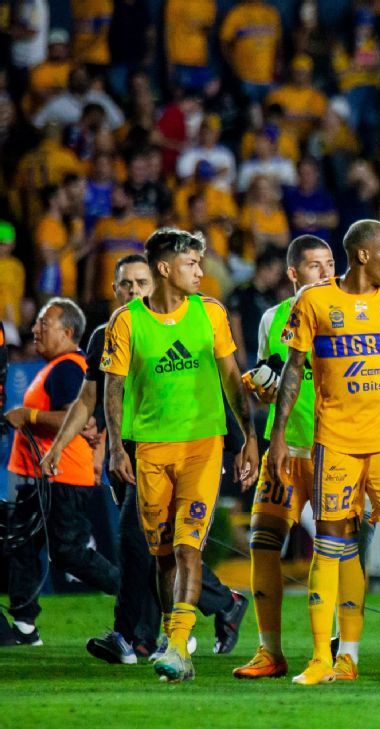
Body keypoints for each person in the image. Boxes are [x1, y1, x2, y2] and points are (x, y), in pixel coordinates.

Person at [40, 255, 248, 664]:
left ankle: (137, 636)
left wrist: (239, 442)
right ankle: (218, 604)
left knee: (143, 544)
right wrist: (59, 444)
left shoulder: (189, 322)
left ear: (156, 282)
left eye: (140, 282)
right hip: (130, 455)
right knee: (153, 546)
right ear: (114, 289)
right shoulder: (108, 334)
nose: (133, 290)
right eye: (125, 284)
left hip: (178, 449)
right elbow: (89, 398)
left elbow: (217, 385)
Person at [268, 220, 380, 685]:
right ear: (364, 256)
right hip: (337, 443)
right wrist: (279, 435)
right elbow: (293, 370)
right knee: (330, 545)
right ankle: (320, 658)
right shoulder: (316, 301)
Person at [102, 229, 260, 682]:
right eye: (193, 264)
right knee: (163, 555)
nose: (200, 271)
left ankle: (176, 646)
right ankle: (177, 642)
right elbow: (113, 388)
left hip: (202, 447)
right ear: (166, 269)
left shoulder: (211, 313)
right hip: (150, 448)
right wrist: (117, 448)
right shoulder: (127, 322)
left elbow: (232, 377)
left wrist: (247, 436)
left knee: (189, 546)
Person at [233, 235, 364, 681]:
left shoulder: (351, 311)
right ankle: (269, 650)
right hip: (285, 447)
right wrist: (262, 387)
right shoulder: (273, 317)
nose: (327, 272)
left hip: (337, 448)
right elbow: (270, 371)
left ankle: (346, 654)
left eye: (331, 263)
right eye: (314, 266)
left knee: (340, 547)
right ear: (293, 274)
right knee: (262, 539)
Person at [3, 297, 119, 645]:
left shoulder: (70, 367)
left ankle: (136, 599)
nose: (35, 329)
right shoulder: (54, 367)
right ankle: (24, 623)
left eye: (44, 323)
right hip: (42, 478)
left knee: (69, 553)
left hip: (62, 477)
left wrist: (29, 416)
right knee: (21, 544)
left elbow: (75, 417)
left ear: (68, 331)